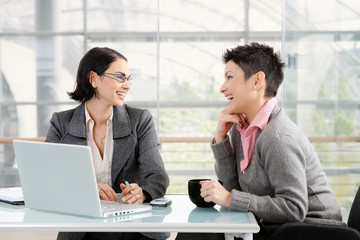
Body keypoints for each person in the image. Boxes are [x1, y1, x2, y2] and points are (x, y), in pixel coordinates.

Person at [199, 42, 344, 239]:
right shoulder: (242, 129)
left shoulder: (278, 137)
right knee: (200, 233)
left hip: (312, 231)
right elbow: (235, 190)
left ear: (257, 81)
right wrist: (221, 139)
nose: (222, 88)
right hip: (275, 227)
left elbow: (293, 208)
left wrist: (230, 198)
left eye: (230, 77)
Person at [45, 47, 170, 240]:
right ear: (94, 79)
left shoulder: (139, 120)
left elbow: (157, 176)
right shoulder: (62, 123)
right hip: (81, 230)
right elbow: (49, 180)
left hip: (133, 229)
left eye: (128, 78)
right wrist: (88, 190)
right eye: (120, 77)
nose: (127, 85)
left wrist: (142, 193)